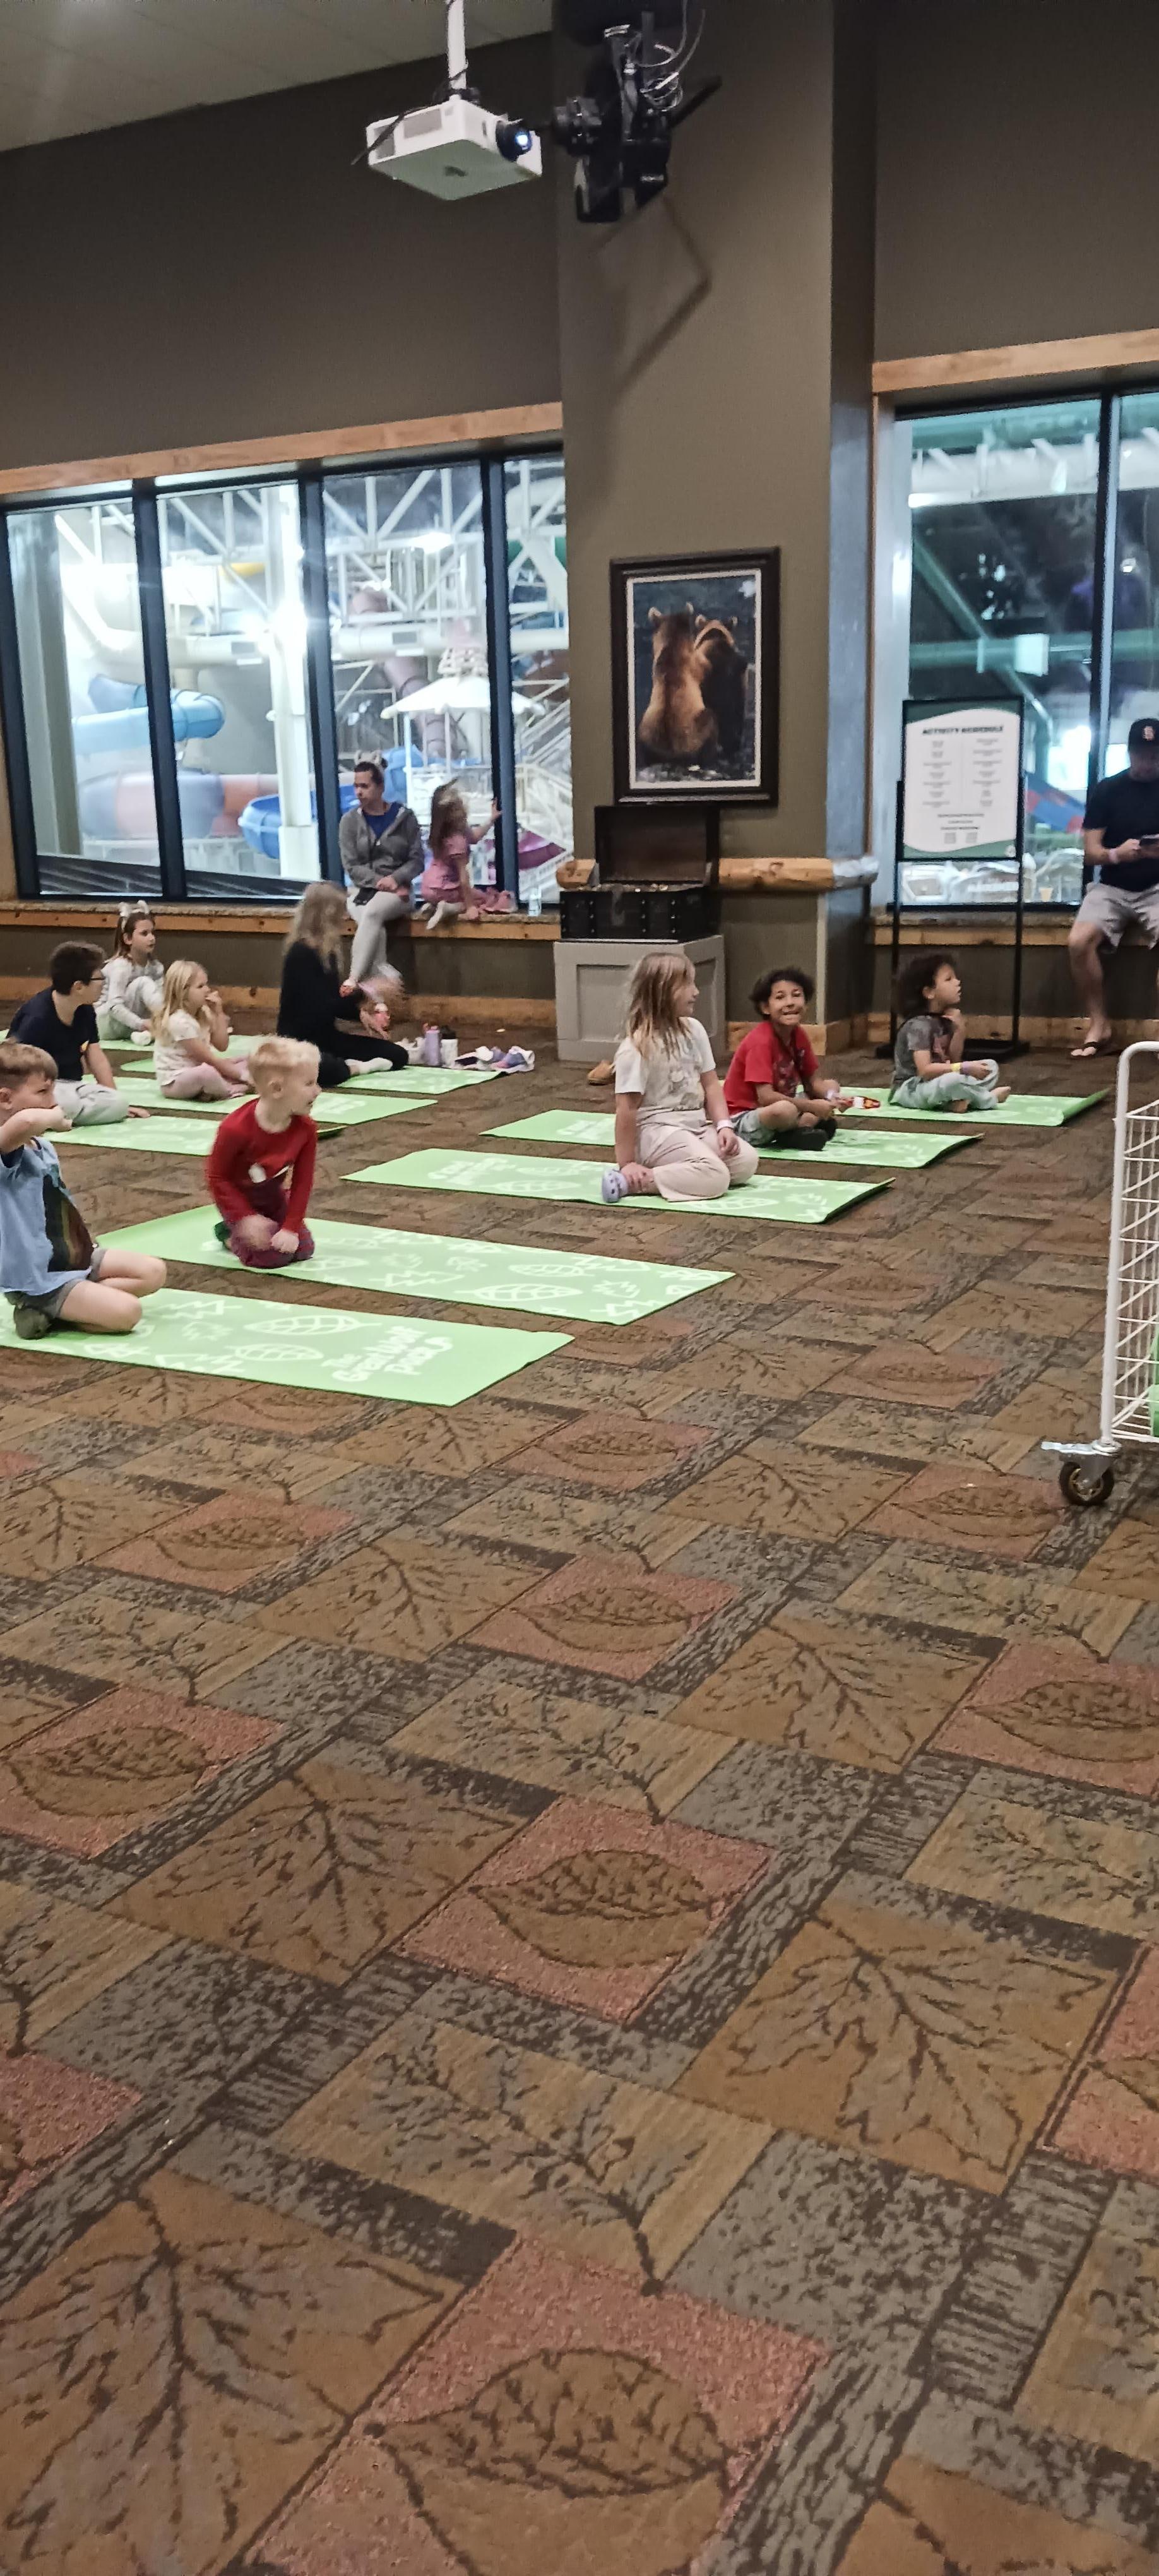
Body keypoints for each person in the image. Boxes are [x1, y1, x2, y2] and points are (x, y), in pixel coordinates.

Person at [0, 1041, 165, 1339]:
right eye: (43, 1092)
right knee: (128, 1313)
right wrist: (55, 1118)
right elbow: (26, 1121)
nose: (53, 1101)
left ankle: (63, 1310)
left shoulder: (42, 1146)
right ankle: (41, 1304)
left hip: (72, 1255)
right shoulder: (5, 1150)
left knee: (154, 1272)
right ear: (5, 1098)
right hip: (41, 1277)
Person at [601, 950, 761, 1203]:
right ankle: (634, 1181)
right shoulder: (637, 1048)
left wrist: (724, 1126)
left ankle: (684, 1171)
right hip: (657, 1132)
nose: (696, 992)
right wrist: (627, 1163)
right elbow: (626, 1109)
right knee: (716, 1176)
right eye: (687, 985)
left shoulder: (694, 1030)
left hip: (694, 1126)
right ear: (662, 992)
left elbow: (711, 1084)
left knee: (746, 1162)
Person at [1069, 716, 1159, 1057]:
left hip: (1157, 886)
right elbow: (1090, 853)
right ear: (1130, 753)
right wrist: (1117, 854)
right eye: (1142, 754)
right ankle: (1099, 1025)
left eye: (1155, 754)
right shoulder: (1108, 790)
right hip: (1113, 887)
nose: (1148, 761)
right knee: (1078, 942)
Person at [277, 883, 407, 1087]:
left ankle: (347, 1065)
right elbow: (321, 1007)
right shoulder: (301, 954)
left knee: (397, 1055)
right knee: (326, 1070)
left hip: (326, 1038)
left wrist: (360, 1013)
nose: (345, 918)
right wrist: (366, 991)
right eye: (341, 912)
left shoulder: (326, 953)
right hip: (299, 1043)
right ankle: (354, 1068)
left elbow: (333, 1001)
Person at [207, 1037, 320, 1269]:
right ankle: (228, 1232)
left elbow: (303, 1181)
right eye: (309, 1084)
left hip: (273, 1197)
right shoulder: (235, 1129)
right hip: (239, 1202)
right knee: (271, 1258)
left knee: (304, 1249)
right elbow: (218, 1177)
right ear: (277, 1089)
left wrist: (290, 1227)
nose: (318, 1091)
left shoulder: (306, 1129)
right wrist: (244, 1218)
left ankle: (261, 1226)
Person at [8, 943, 146, 1126]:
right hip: (38, 1088)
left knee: (117, 1102)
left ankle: (52, 1117)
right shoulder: (37, 1018)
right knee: (68, 1103)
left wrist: (113, 1095)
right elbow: (15, 1071)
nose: (104, 983)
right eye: (100, 979)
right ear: (79, 987)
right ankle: (40, 1116)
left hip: (71, 1086)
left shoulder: (85, 1010)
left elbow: (95, 1055)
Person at [724, 965, 846, 1151]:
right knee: (785, 1110)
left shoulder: (799, 1035)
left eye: (796, 995)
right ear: (765, 1008)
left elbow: (813, 1083)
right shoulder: (760, 1041)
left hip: (782, 1104)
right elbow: (766, 1098)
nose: (790, 1003)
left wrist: (833, 1098)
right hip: (745, 1117)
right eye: (780, 997)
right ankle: (799, 1128)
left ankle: (797, 1131)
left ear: (806, 1003)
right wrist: (812, 1107)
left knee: (831, 1086)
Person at [340, 758, 425, 985]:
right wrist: (381, 882)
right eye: (356, 786)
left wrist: (396, 879)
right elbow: (351, 866)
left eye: (364, 786)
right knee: (369, 920)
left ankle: (354, 978)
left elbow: (417, 861)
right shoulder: (349, 822)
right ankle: (383, 975)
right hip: (360, 891)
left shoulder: (406, 818)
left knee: (371, 914)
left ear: (380, 788)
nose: (358, 792)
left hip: (400, 892)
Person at [891, 951, 1011, 1111]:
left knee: (990, 1067)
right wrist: (964, 1068)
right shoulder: (918, 1026)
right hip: (912, 1089)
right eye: (949, 979)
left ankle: (955, 1102)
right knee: (952, 1082)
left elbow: (953, 1059)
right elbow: (925, 1071)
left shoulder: (944, 1018)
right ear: (929, 992)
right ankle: (988, 1099)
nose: (957, 982)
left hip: (937, 1082)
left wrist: (959, 1030)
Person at [152, 960, 252, 1099]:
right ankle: (230, 1089)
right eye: (200, 986)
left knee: (247, 1060)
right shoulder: (179, 1022)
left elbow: (222, 1046)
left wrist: (219, 1013)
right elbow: (210, 1060)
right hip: (176, 1082)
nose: (207, 990)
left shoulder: (203, 1013)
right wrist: (244, 1077)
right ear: (183, 992)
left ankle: (210, 1091)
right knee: (207, 1073)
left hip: (199, 1070)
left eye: (206, 984)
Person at [418, 784, 504, 928]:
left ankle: (433, 906)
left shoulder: (444, 833)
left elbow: (475, 837)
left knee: (469, 895)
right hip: (444, 888)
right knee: (482, 899)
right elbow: (464, 878)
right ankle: (450, 908)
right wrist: (470, 907)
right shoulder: (457, 841)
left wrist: (491, 820)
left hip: (428, 887)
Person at [98, 904, 163, 1041]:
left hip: (129, 1023)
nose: (151, 938)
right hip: (105, 1023)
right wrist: (142, 1024)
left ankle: (145, 1035)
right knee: (143, 983)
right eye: (144, 934)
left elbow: (160, 998)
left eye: (153, 933)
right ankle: (167, 1024)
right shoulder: (121, 966)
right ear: (128, 939)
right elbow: (114, 1006)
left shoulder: (155, 966)